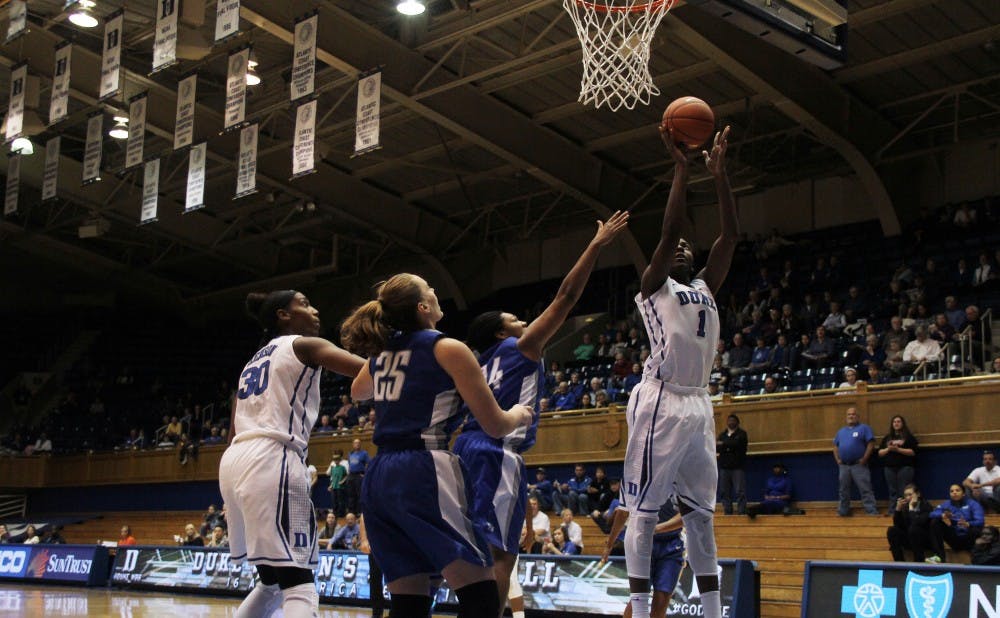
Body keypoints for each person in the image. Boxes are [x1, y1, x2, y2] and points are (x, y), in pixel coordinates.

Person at [454, 212, 628, 616]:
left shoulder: (475, 364)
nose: (524, 323)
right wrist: (596, 245)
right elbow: (566, 299)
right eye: (515, 321)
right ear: (501, 333)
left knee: (476, 548)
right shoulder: (521, 348)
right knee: (503, 555)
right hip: (497, 449)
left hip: (463, 447)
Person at [341, 273, 533, 618]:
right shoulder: (447, 347)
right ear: (423, 305)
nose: (435, 290)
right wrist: (518, 414)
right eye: (430, 287)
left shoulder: (382, 352)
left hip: (380, 473)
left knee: (409, 601)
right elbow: (495, 424)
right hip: (424, 468)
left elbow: (359, 392)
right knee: (481, 595)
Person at [621, 125, 738, 618]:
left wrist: (719, 177)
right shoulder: (655, 286)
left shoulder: (707, 286)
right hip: (662, 399)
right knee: (644, 514)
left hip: (699, 403)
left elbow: (730, 235)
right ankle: (639, 605)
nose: (685, 247)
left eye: (691, 247)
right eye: (678, 247)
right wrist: (681, 169)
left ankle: (713, 613)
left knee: (701, 518)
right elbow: (669, 232)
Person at [218, 289, 366, 618]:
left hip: (234, 460)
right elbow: (367, 372)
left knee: (270, 584)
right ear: (283, 315)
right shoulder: (304, 344)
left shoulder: (251, 363)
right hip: (271, 455)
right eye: (305, 304)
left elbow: (232, 431)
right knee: (299, 585)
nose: (314, 311)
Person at [602, 501, 684, 618]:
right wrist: (609, 543)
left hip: (672, 544)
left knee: (661, 599)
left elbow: (687, 514)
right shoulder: (636, 483)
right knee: (638, 598)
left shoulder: (681, 484)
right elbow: (622, 512)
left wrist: (657, 528)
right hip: (642, 542)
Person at [833, 407, 879, 516]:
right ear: (846, 417)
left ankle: (871, 511)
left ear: (857, 416)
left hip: (859, 465)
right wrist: (838, 460)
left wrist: (864, 459)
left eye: (853, 414)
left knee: (865, 489)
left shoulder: (864, 428)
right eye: (849, 414)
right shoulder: (841, 431)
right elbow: (835, 446)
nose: (851, 416)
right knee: (843, 491)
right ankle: (843, 511)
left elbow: (871, 444)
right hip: (844, 466)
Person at [926, 484, 985, 563]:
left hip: (969, 537)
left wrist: (968, 524)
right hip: (955, 538)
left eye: (957, 490)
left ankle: (976, 557)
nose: (954, 492)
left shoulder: (973, 504)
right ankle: (939, 557)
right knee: (935, 522)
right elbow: (932, 514)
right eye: (952, 491)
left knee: (976, 529)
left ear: (963, 493)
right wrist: (943, 515)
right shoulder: (947, 504)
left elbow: (980, 521)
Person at [877, 415, 918, 510]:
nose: (896, 423)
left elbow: (913, 452)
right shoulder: (887, 437)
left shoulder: (909, 437)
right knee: (892, 491)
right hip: (889, 468)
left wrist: (898, 450)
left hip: (905, 468)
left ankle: (905, 511)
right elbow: (880, 453)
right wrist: (888, 449)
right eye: (894, 422)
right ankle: (893, 511)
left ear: (902, 423)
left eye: (898, 421)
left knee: (904, 490)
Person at [886, 483, 933, 562]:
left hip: (924, 540)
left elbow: (917, 523)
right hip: (910, 539)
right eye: (905, 495)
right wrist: (898, 510)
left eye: (910, 495)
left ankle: (918, 562)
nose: (907, 498)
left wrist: (911, 508)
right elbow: (898, 525)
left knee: (914, 529)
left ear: (918, 494)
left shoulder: (926, 506)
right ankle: (899, 562)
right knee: (892, 530)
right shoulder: (905, 507)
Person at [717, 414, 748, 515]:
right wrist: (728, 445)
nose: (731, 422)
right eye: (729, 420)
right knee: (724, 491)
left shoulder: (742, 434)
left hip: (737, 467)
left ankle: (741, 511)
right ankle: (727, 511)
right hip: (724, 467)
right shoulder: (722, 434)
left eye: (733, 420)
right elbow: (717, 447)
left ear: (737, 422)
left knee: (740, 491)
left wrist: (725, 445)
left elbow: (738, 445)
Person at [346, 438, 371, 515]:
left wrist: (365, 474)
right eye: (355, 443)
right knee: (351, 495)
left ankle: (360, 512)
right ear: (353, 445)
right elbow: (350, 464)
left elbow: (369, 463)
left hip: (359, 475)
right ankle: (351, 512)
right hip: (351, 476)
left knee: (359, 494)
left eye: (358, 443)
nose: (357, 444)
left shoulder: (364, 453)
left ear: (360, 444)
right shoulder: (350, 454)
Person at [327, 450, 348, 518]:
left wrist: (342, 481)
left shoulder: (342, 468)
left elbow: (346, 475)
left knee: (341, 501)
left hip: (340, 487)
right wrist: (330, 485)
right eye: (335, 460)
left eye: (337, 460)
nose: (336, 461)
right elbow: (332, 477)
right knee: (334, 501)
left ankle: (341, 514)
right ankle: (335, 514)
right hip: (334, 486)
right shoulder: (333, 468)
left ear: (339, 460)